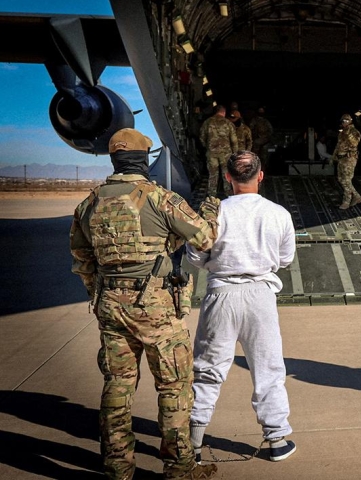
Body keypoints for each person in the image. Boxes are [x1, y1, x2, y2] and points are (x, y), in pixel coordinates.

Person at [69, 128, 219, 480]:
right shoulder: (160, 198)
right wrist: (211, 209)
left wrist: (101, 292)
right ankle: (180, 467)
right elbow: (205, 237)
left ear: (115, 159)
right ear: (143, 160)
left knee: (118, 383)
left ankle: (118, 466)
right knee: (174, 384)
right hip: (155, 307)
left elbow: (82, 259)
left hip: (110, 304)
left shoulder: (88, 203)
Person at [186, 150, 298, 463]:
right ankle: (276, 440)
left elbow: (195, 257)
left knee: (208, 370)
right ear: (261, 176)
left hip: (220, 295)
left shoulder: (213, 214)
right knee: (268, 369)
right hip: (260, 296)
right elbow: (286, 259)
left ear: (228, 178)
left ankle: (193, 443)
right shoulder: (278, 214)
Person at [200, 104, 238, 197]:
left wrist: (207, 147)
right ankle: (228, 194)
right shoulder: (228, 123)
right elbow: (234, 140)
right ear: (224, 112)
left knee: (213, 175)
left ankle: (211, 196)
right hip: (225, 153)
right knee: (226, 174)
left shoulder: (207, 122)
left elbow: (202, 137)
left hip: (212, 153)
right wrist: (235, 153)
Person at [332, 113, 361, 209]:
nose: (344, 122)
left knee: (346, 180)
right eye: (343, 121)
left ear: (350, 121)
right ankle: (357, 197)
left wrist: (348, 134)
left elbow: (354, 143)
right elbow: (338, 145)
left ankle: (346, 201)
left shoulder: (354, 132)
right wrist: (334, 156)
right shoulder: (342, 133)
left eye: (346, 120)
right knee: (341, 179)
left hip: (349, 158)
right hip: (341, 158)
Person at [250, 106, 274, 172]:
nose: (261, 112)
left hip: (264, 141)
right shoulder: (254, 120)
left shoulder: (266, 121)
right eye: (260, 111)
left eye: (262, 111)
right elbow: (250, 129)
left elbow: (271, 131)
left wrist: (265, 137)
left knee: (264, 158)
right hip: (256, 141)